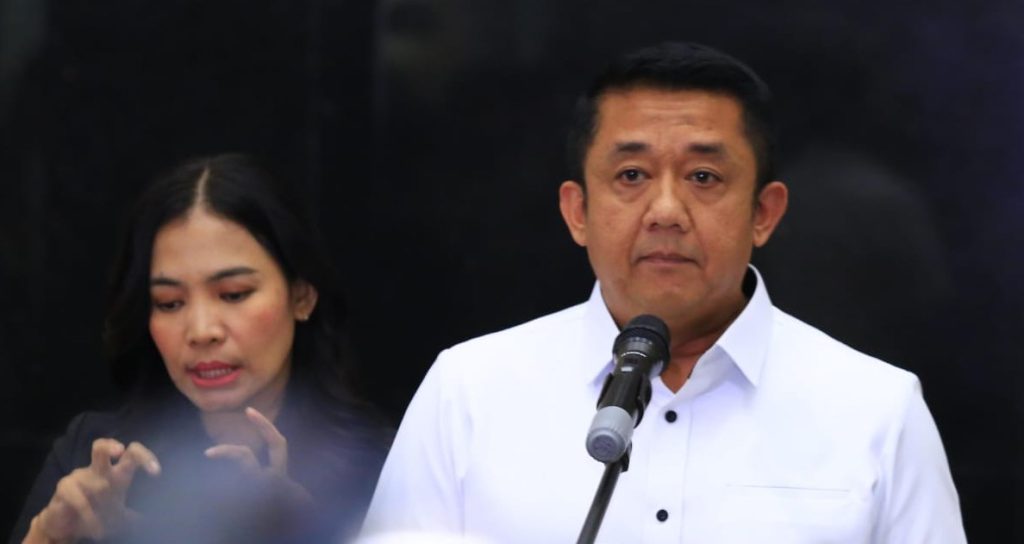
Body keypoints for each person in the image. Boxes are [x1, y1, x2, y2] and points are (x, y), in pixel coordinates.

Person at [361, 42, 966, 542]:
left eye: (704, 176)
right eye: (632, 175)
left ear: (764, 213)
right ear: (577, 212)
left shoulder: (877, 409)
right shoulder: (468, 392)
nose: (667, 211)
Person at [11, 154, 390, 544]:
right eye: (170, 303)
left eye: (233, 294)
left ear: (302, 296)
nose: (202, 331)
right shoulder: (97, 462)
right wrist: (48, 535)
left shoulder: (382, 468)